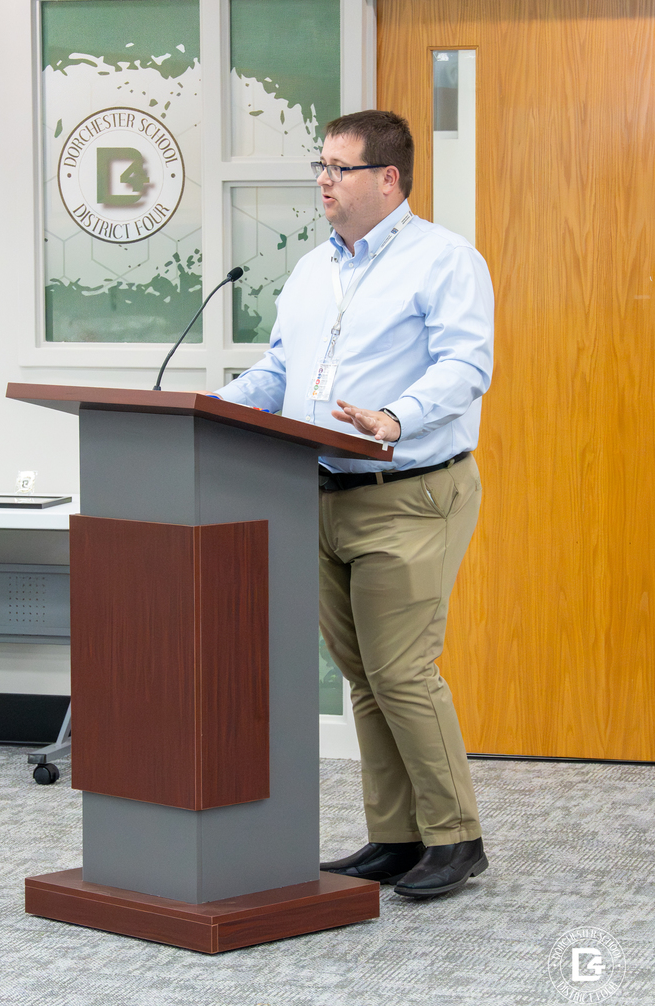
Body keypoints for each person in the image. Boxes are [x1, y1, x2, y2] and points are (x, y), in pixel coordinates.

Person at [213, 109, 494, 898]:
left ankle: (456, 837)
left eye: (338, 169)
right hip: (322, 493)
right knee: (363, 676)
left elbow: (466, 366)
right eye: (321, 168)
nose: (323, 183)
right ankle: (397, 836)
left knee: (402, 671)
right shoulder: (312, 270)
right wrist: (204, 405)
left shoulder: (445, 261)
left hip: (408, 494)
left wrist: (395, 415)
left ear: (388, 179)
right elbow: (278, 371)